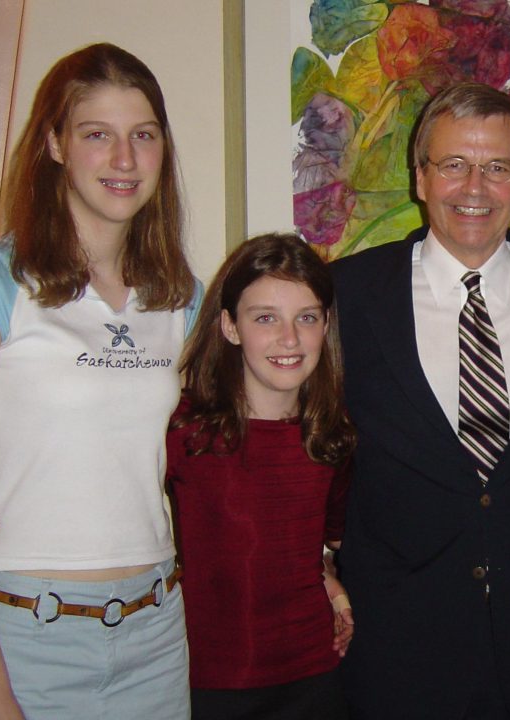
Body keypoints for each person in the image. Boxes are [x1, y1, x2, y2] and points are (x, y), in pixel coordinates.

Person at [0, 43, 199, 718]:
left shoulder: (179, 296)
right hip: (24, 639)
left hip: (156, 635)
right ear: (54, 144)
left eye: (143, 136)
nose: (125, 160)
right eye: (97, 135)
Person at [330, 82, 510, 719]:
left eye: (497, 167)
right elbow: (296, 436)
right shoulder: (349, 293)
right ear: (420, 178)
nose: (474, 187)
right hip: (392, 638)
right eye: (453, 164)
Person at [167, 233, 356, 719]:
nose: (289, 339)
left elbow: (325, 541)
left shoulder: (335, 436)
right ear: (230, 326)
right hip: (209, 681)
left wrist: (331, 583)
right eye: (265, 317)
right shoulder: (181, 427)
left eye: (306, 318)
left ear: (326, 325)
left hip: (317, 675)